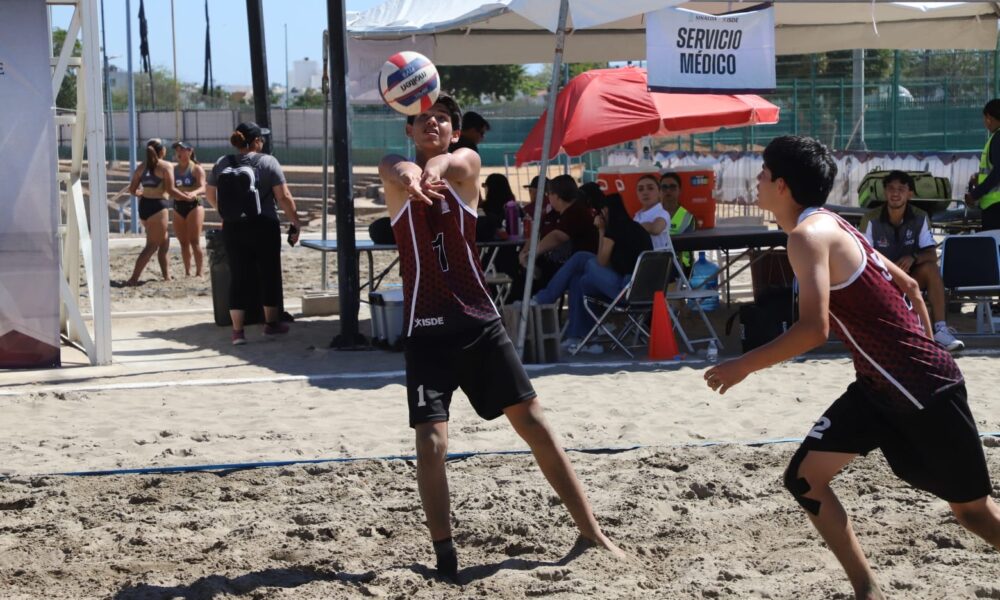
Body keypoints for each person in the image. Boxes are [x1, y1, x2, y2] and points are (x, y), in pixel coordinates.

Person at [705, 135, 1000, 600]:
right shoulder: (831, 222)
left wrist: (743, 365)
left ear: (781, 185)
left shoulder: (807, 236)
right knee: (804, 479)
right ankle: (867, 590)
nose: (756, 180)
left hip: (922, 389)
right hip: (879, 386)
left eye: (763, 172)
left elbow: (813, 330)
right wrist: (922, 342)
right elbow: (910, 287)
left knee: (973, 512)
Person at [378, 94, 623, 581]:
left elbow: (458, 162)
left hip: (478, 325)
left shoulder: (465, 168)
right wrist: (408, 172)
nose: (432, 123)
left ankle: (592, 532)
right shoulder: (398, 182)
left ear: (454, 131)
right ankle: (445, 558)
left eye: (442, 119)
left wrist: (435, 166)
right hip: (426, 334)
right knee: (430, 443)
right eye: (422, 118)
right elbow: (390, 164)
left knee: (533, 423)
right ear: (409, 129)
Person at [205, 122, 302, 345]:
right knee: (269, 273)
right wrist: (295, 221)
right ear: (256, 141)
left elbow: (209, 192)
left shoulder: (222, 162)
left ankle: (237, 332)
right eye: (262, 139)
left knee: (238, 276)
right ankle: (271, 325)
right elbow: (283, 196)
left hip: (233, 227)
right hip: (264, 225)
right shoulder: (268, 162)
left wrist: (225, 212)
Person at [532, 192, 651, 353]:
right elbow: (612, 263)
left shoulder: (614, 230)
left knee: (582, 259)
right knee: (578, 279)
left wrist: (601, 230)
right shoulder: (637, 228)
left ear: (606, 211)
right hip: (645, 291)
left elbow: (601, 262)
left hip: (625, 291)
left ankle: (545, 299)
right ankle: (578, 337)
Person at [860, 170, 964, 352]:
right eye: (891, 188)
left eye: (901, 189)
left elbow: (931, 254)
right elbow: (862, 256)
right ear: (885, 192)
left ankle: (940, 330)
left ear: (910, 194)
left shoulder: (920, 216)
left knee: (931, 268)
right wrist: (889, 268)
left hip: (910, 279)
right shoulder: (870, 219)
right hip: (881, 279)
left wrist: (914, 257)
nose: (895, 193)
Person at [123, 138, 192, 285]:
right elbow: (171, 190)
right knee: (152, 246)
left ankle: (167, 276)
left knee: (164, 241)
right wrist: (186, 197)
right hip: (158, 207)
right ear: (162, 151)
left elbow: (132, 189)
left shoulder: (141, 167)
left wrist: (141, 193)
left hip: (144, 207)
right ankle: (133, 278)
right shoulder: (166, 166)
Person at [518, 174, 598, 276]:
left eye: (549, 194)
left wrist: (533, 253)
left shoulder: (575, 212)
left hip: (580, 266)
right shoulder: (557, 213)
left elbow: (558, 236)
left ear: (556, 196)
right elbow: (537, 232)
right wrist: (525, 251)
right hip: (562, 263)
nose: (548, 197)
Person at [170, 141, 206, 277]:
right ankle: (187, 272)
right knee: (183, 243)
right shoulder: (173, 170)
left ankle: (199, 272)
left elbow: (203, 187)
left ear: (190, 151)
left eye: (182, 150)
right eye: (177, 150)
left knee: (194, 241)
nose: (178, 153)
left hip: (194, 205)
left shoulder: (196, 168)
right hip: (178, 206)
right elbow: (167, 187)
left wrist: (194, 193)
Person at [965, 98, 1000, 231]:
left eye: (984, 118)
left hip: (995, 207)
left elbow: (997, 173)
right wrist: (979, 177)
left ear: (989, 118)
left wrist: (975, 194)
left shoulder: (997, 138)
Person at [660, 172, 695, 272]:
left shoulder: (688, 217)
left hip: (681, 265)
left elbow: (688, 245)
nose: (668, 190)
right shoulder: (652, 214)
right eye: (664, 187)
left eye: (672, 187)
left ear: (680, 190)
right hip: (658, 261)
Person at [634, 174, 672, 250]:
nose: (645, 192)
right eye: (640, 189)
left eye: (650, 188)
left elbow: (656, 229)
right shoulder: (637, 216)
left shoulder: (662, 213)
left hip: (657, 256)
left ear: (660, 192)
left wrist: (632, 228)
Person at [523, 174, 560, 239]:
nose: (530, 193)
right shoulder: (559, 205)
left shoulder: (529, 209)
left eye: (530, 191)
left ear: (537, 192)